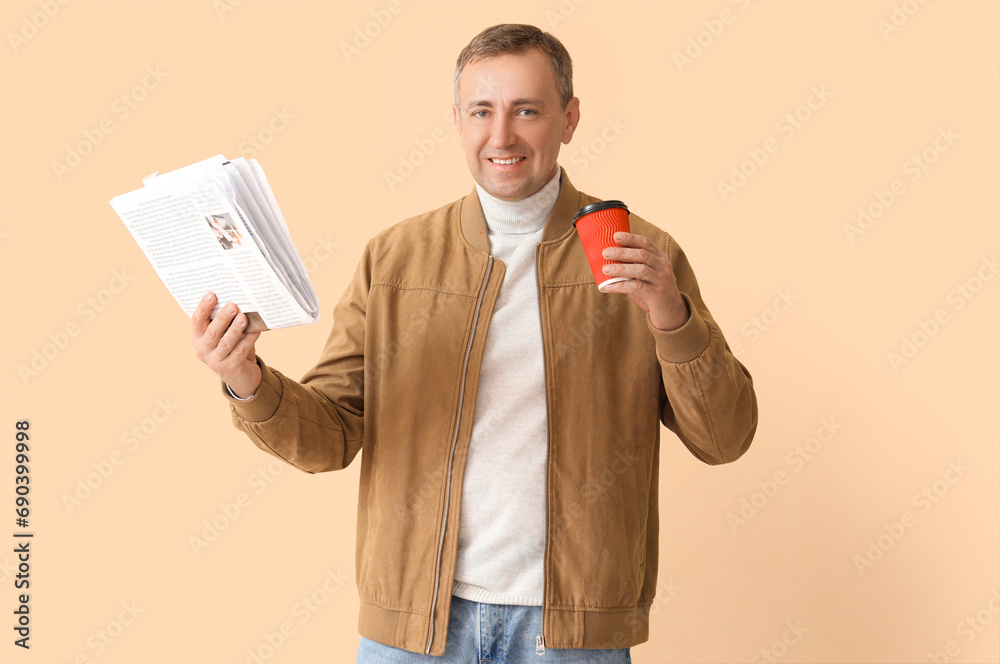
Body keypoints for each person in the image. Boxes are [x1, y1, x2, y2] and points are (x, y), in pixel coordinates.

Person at [192, 24, 757, 663]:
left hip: (569, 635)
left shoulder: (640, 255)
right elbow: (329, 439)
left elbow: (725, 437)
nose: (502, 136)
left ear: (569, 119)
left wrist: (670, 314)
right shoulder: (394, 258)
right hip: (413, 632)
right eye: (482, 112)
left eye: (527, 111)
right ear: (457, 121)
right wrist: (246, 378)